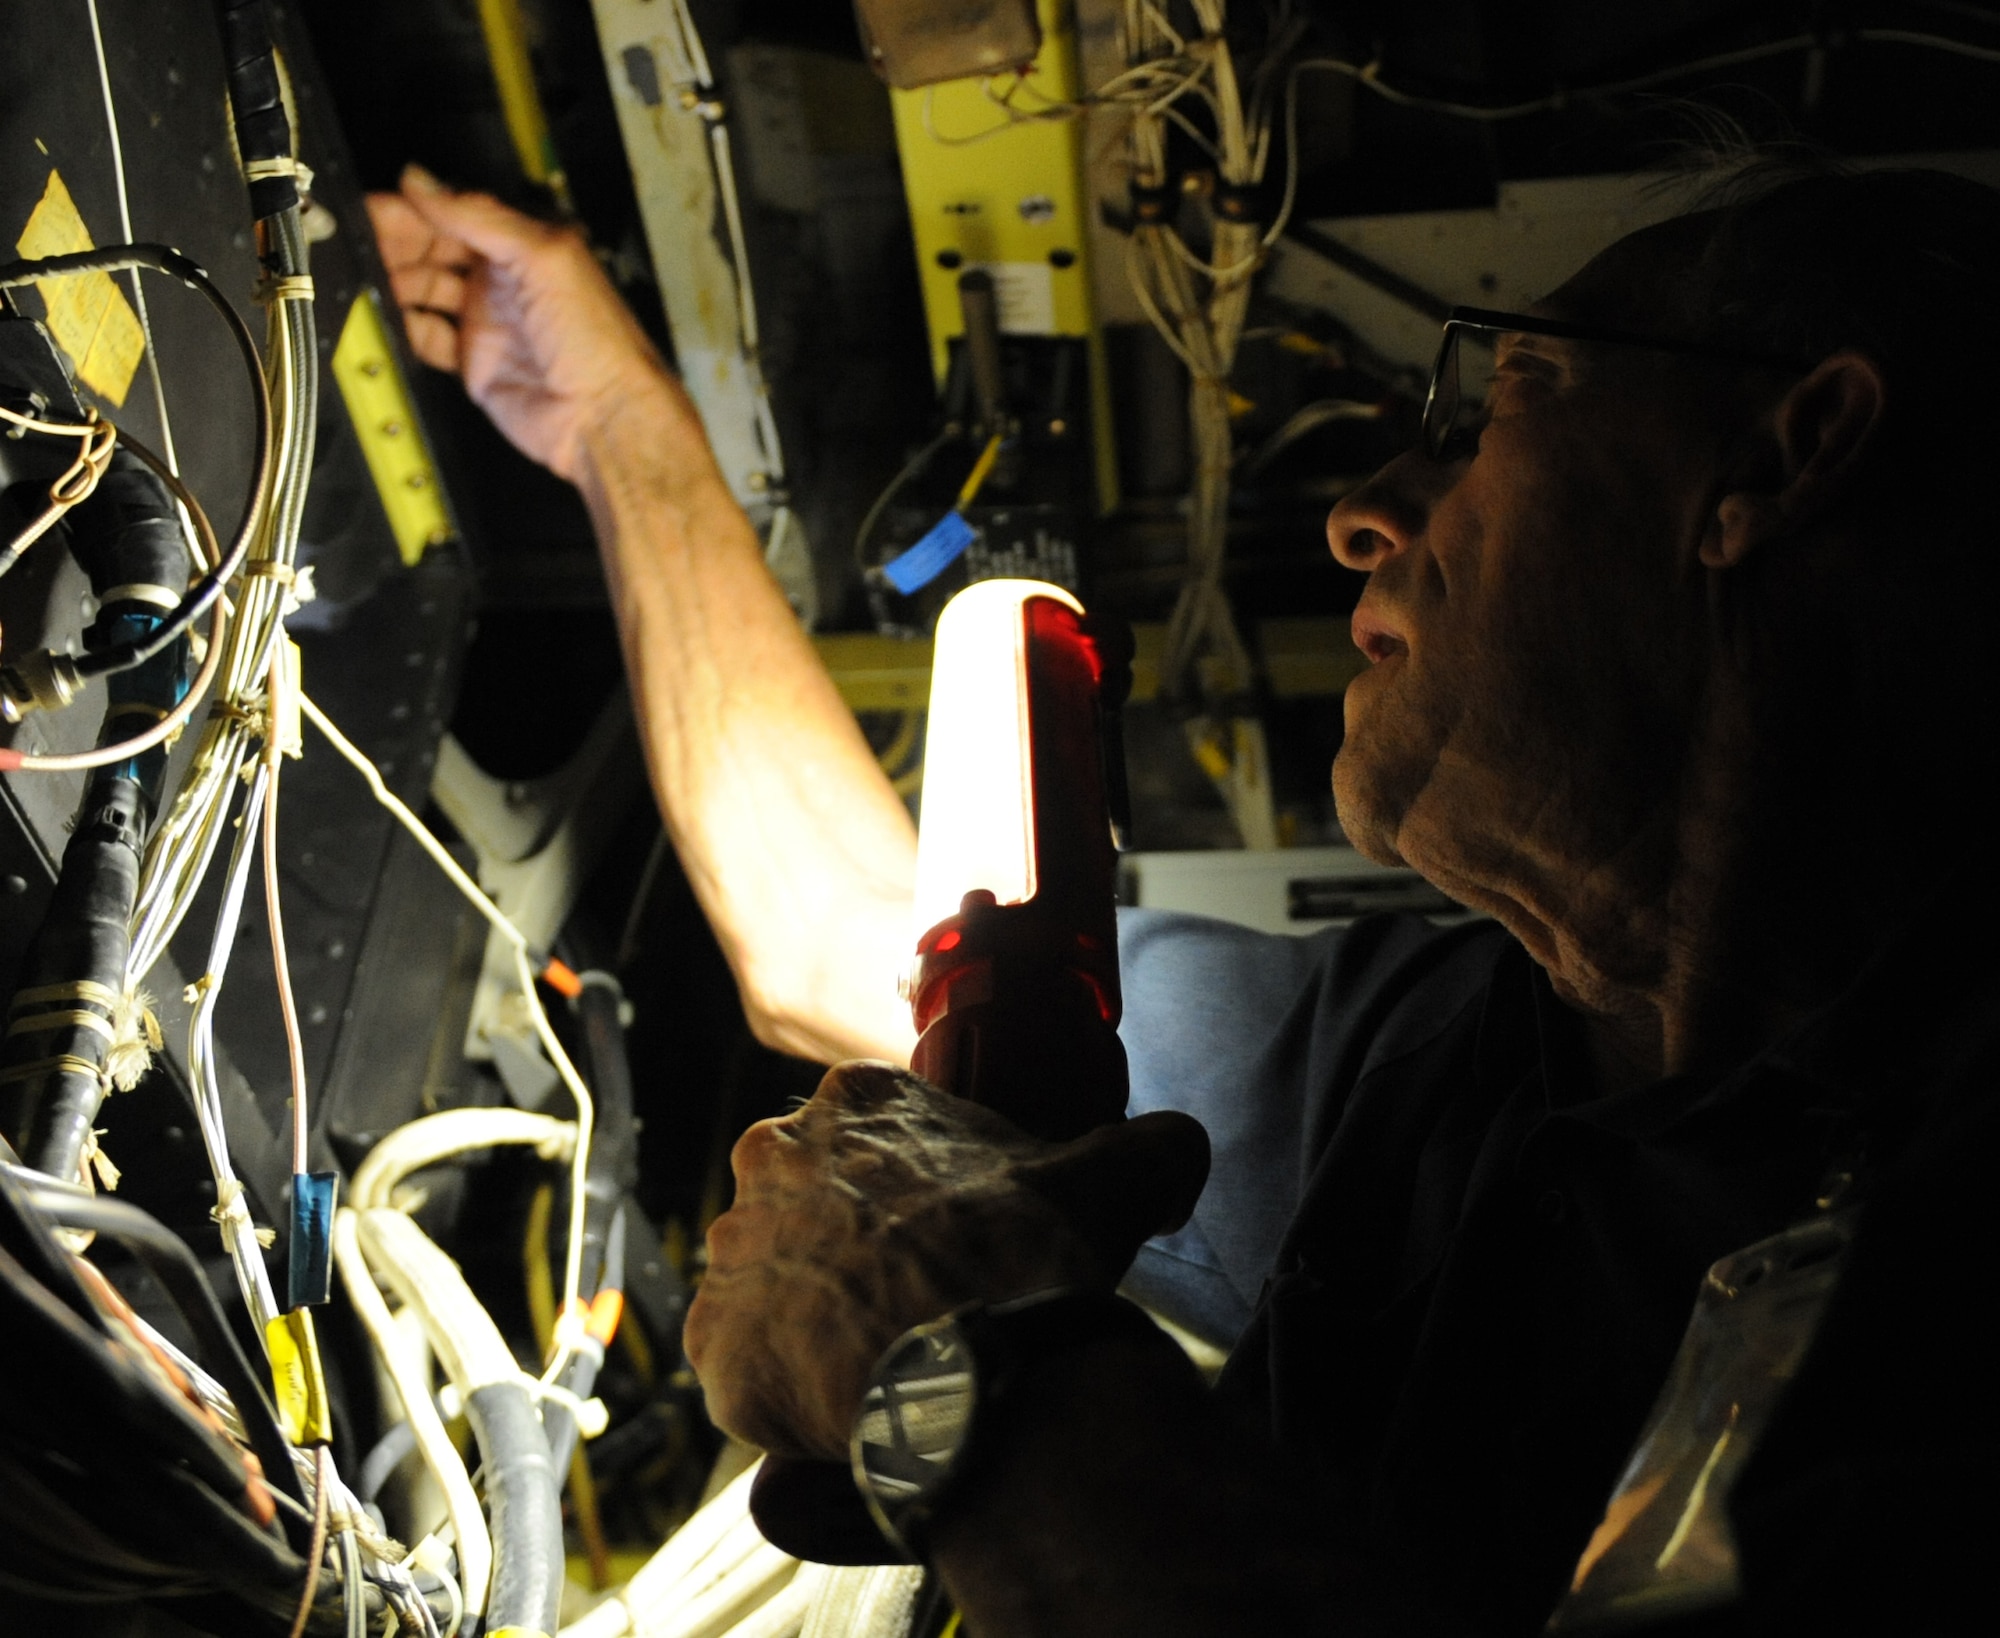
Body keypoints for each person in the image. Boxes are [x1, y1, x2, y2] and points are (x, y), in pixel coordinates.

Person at [370, 157, 2000, 1634]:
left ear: (1780, 459)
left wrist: (955, 1366)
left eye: (1508, 401)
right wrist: (608, 413)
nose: (1368, 513)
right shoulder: (1450, 1035)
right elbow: (855, 942)